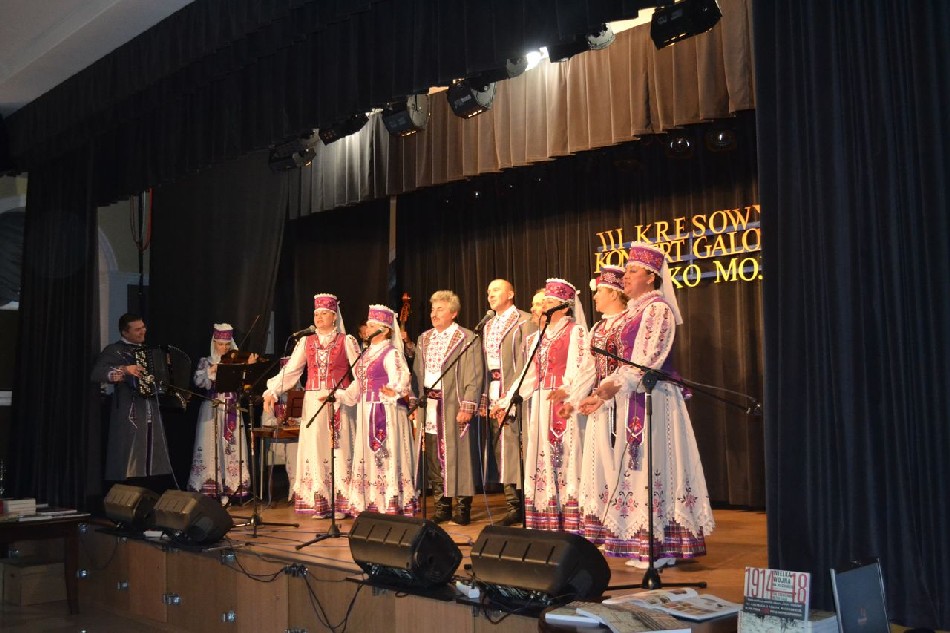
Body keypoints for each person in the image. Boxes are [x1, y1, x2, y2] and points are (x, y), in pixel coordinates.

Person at [576, 244, 714, 568]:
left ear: (651, 277)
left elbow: (647, 359)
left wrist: (610, 387)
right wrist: (602, 392)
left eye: (633, 271)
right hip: (632, 397)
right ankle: (643, 541)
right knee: (636, 470)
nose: (625, 276)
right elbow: (623, 364)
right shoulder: (632, 313)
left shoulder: (657, 310)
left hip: (655, 398)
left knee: (654, 466)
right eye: (625, 271)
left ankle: (661, 546)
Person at [494, 279, 592, 532]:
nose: (542, 306)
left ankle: (572, 519)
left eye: (548, 302)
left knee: (567, 454)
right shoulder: (536, 338)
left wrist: (568, 391)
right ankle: (547, 518)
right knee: (543, 457)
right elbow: (528, 376)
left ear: (564, 307)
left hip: (563, 402)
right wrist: (506, 401)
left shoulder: (575, 332)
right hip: (539, 403)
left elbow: (581, 367)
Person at [263, 294, 359, 518]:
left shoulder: (346, 341)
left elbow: (360, 373)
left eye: (324, 313)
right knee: (316, 448)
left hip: (338, 401)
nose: (319, 317)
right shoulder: (306, 342)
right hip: (314, 401)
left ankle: (341, 502)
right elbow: (291, 371)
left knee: (339, 448)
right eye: (316, 314)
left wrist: (346, 394)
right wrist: (272, 391)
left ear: (334, 317)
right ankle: (321, 501)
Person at [411, 290, 484, 525]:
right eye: (432, 309)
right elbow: (417, 374)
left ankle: (462, 508)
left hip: (454, 403)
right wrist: (414, 403)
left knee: (459, 456)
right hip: (429, 406)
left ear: (453, 313)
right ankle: (442, 506)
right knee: (433, 456)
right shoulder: (424, 338)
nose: (434, 314)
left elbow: (474, 375)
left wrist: (468, 406)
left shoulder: (467, 338)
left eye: (440, 309)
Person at [336, 305, 417, 516]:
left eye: (372, 326)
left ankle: (389, 501)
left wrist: (393, 390)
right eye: (368, 325)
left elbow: (402, 378)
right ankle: (371, 500)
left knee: (385, 454)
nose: (367, 329)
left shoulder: (391, 353)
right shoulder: (365, 354)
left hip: (385, 410)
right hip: (366, 409)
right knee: (368, 455)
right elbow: (359, 384)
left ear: (385, 330)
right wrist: (339, 395)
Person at [90, 313, 174, 490]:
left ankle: (151, 490)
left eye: (143, 327)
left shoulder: (149, 350)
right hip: (130, 408)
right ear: (124, 332)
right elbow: (97, 373)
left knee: (152, 451)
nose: (143, 331)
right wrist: (124, 369)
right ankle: (130, 490)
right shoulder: (114, 350)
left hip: (150, 408)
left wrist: (165, 368)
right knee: (130, 453)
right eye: (137, 329)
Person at [481, 279, 536, 525]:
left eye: (496, 290)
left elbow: (527, 361)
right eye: (488, 291)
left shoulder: (525, 320)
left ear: (511, 293)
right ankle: (512, 503)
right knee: (502, 450)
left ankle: (524, 504)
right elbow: (485, 365)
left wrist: (510, 396)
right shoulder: (487, 325)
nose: (490, 295)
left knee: (516, 448)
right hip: (494, 390)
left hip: (516, 391)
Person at [186, 323, 253, 503]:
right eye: (220, 344)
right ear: (214, 343)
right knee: (211, 445)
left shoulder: (236, 361)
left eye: (227, 344)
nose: (223, 348)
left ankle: (232, 488)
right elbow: (199, 382)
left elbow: (246, 387)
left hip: (232, 407)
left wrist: (248, 368)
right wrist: (212, 370)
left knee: (231, 446)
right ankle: (212, 488)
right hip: (212, 407)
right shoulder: (206, 361)